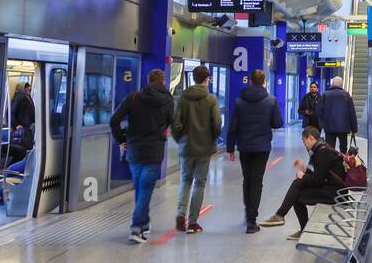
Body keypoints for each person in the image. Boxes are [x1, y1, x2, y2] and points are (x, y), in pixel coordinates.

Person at [109, 69, 176, 244]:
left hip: (134, 149)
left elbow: (114, 120)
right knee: (145, 190)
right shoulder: (168, 100)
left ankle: (144, 223)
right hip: (154, 150)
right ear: (163, 82)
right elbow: (172, 122)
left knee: (140, 188)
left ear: (148, 80)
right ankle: (137, 227)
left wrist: (121, 140)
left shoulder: (133, 98)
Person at [258, 126, 346, 240]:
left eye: (304, 142)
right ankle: (286, 219)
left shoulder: (322, 152)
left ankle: (281, 216)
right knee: (297, 193)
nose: (305, 145)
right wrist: (303, 168)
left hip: (336, 193)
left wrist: (303, 176)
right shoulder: (321, 149)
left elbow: (318, 180)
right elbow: (319, 172)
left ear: (310, 138)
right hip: (332, 188)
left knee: (297, 187)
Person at [226, 68, 283, 234]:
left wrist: (230, 148)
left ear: (250, 81)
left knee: (247, 179)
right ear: (264, 82)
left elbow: (232, 127)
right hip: (262, 147)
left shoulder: (239, 101)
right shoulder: (271, 101)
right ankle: (252, 220)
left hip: (244, 146)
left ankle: (247, 212)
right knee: (257, 181)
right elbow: (278, 123)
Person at [172, 64, 222, 234]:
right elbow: (217, 124)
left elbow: (175, 124)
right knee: (199, 183)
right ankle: (193, 222)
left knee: (185, 181)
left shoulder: (183, 98)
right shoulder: (211, 99)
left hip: (186, 147)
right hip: (204, 148)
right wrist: (212, 139)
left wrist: (181, 140)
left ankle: (180, 213)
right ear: (206, 79)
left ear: (193, 78)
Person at [320, 75, 358, 154]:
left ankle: (330, 163)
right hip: (343, 127)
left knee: (329, 148)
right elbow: (352, 112)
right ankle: (343, 163)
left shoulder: (325, 95)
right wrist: (354, 128)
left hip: (329, 127)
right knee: (343, 148)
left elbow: (318, 110)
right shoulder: (346, 95)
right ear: (341, 85)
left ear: (332, 84)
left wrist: (323, 123)